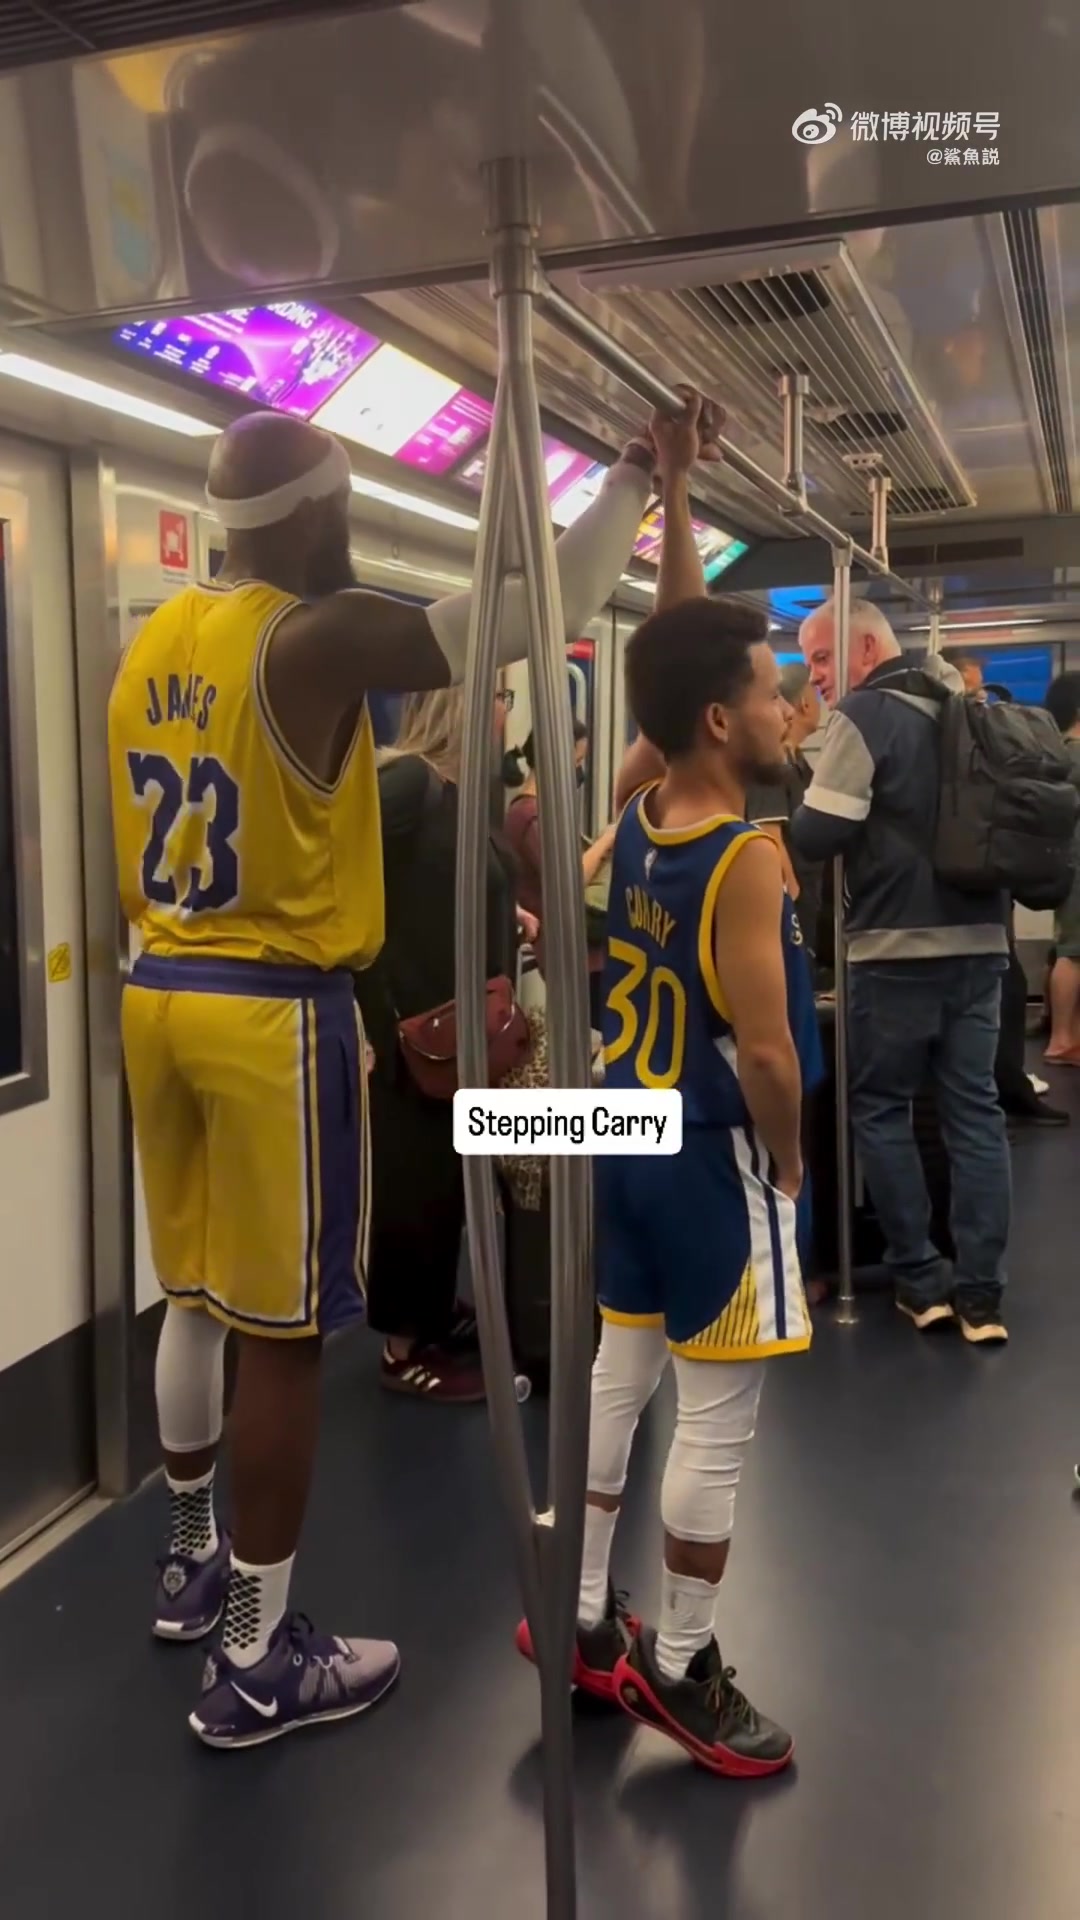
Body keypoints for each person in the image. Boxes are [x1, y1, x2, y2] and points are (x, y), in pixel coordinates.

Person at [108, 402, 662, 1748]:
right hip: (267, 1008)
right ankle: (256, 1658)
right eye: (344, 508)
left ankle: (188, 1564)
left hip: (158, 988)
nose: (348, 531)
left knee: (191, 1293)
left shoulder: (153, 644)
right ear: (309, 516)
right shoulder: (313, 635)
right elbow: (538, 606)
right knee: (284, 1335)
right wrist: (637, 478)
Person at [517, 410, 820, 1776]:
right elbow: (769, 1056)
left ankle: (583, 1616)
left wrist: (678, 490)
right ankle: (685, 1665)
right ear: (717, 721)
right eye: (770, 692)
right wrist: (791, 1164)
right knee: (717, 1418)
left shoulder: (631, 823)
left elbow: (675, 654)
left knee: (616, 1375)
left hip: (621, 1141)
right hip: (707, 1155)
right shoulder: (745, 857)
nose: (785, 708)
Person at [792, 598, 1011, 1345]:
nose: (817, 677)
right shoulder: (963, 706)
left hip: (894, 949)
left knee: (881, 1109)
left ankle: (921, 1281)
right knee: (974, 1113)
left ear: (865, 648)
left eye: (823, 658)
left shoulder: (863, 715)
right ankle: (982, 1297)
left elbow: (819, 832)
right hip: (982, 942)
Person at [358, 684, 536, 1402]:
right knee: (416, 1183)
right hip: (413, 1027)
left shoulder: (464, 795)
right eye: (499, 694)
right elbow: (352, 886)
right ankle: (402, 1348)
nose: (506, 710)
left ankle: (431, 1311)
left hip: (462, 1023)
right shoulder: (409, 784)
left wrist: (511, 916)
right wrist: (376, 1017)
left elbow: (448, 887)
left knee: (447, 1177)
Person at [502, 721, 614, 1028]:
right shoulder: (529, 817)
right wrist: (607, 839)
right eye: (577, 762)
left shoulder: (539, 814)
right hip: (576, 958)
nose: (579, 772)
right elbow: (569, 880)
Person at [745, 661, 824, 969]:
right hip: (792, 905)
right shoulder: (773, 764)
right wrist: (793, 899)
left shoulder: (796, 762)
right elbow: (769, 837)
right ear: (805, 701)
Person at [1042, 670, 1080, 1064]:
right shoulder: (1075, 754)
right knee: (1074, 950)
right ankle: (1062, 1040)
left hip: (1066, 861)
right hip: (1077, 864)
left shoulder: (1058, 752)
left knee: (1066, 946)